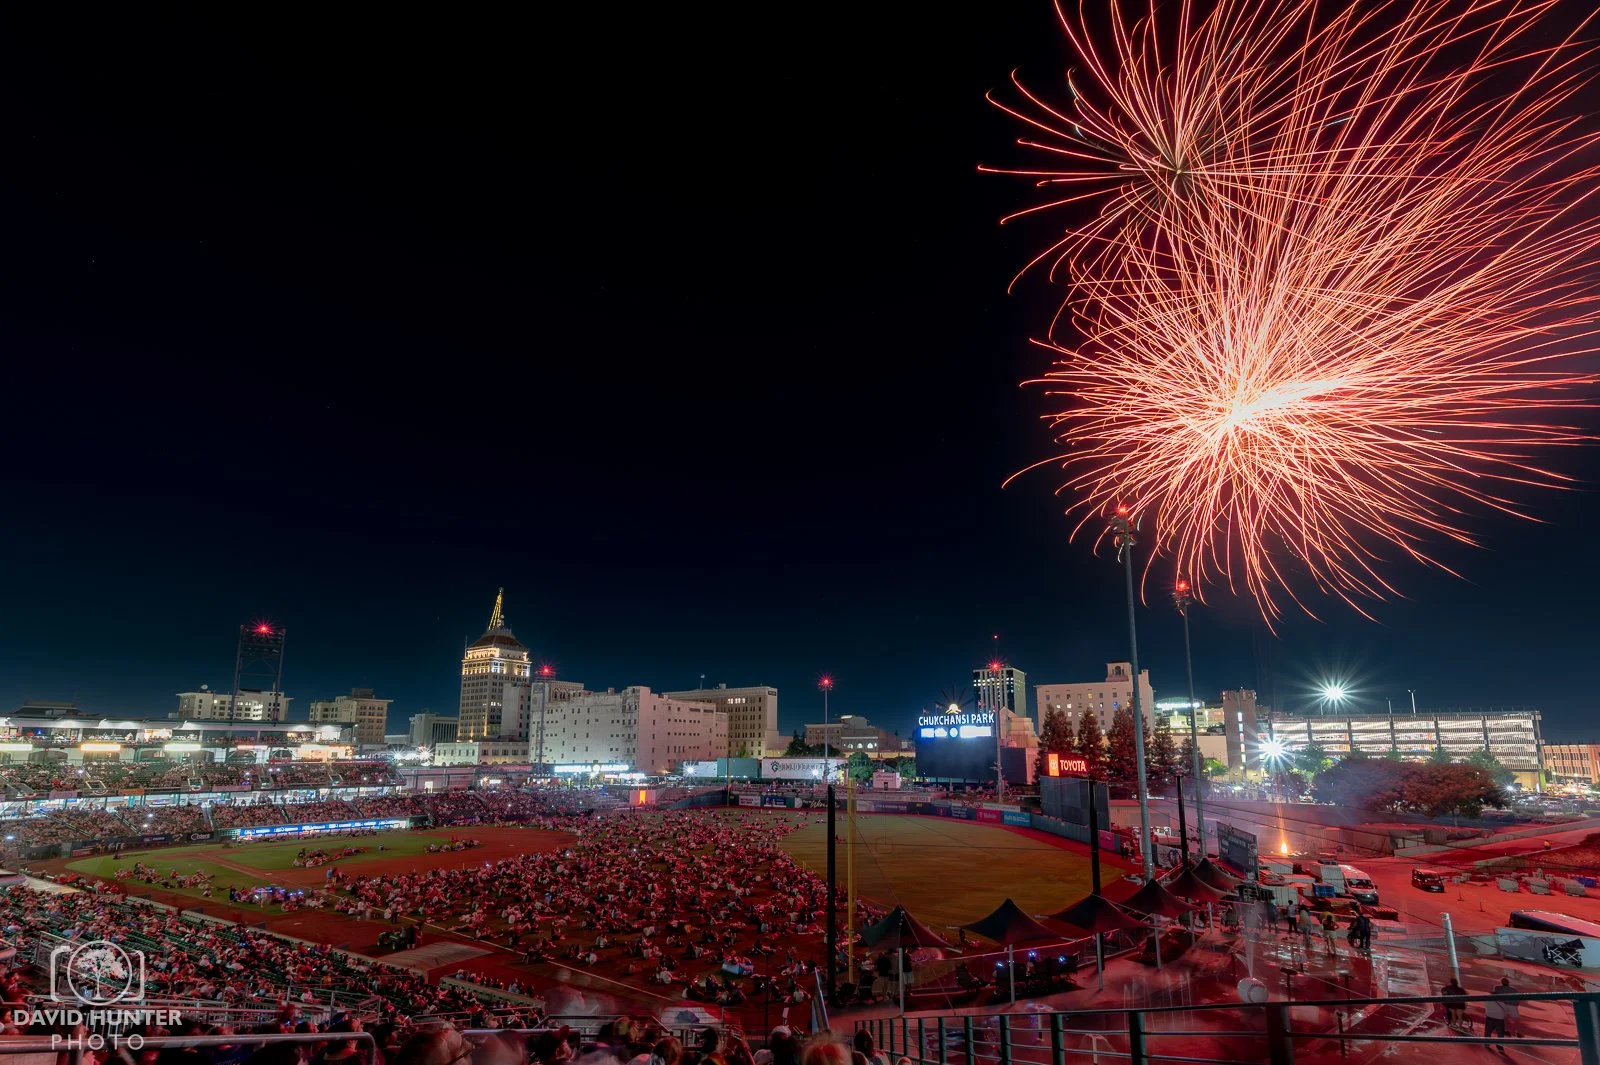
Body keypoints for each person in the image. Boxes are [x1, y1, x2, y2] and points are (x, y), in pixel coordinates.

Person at [1484, 977, 1519, 1051]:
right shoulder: (1513, 991)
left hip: (1489, 1016)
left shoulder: (1495, 990)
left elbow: (1485, 1005)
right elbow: (1514, 1003)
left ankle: (1487, 1043)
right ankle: (1500, 1046)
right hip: (1500, 1017)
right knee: (1500, 1033)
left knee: (1487, 1031)